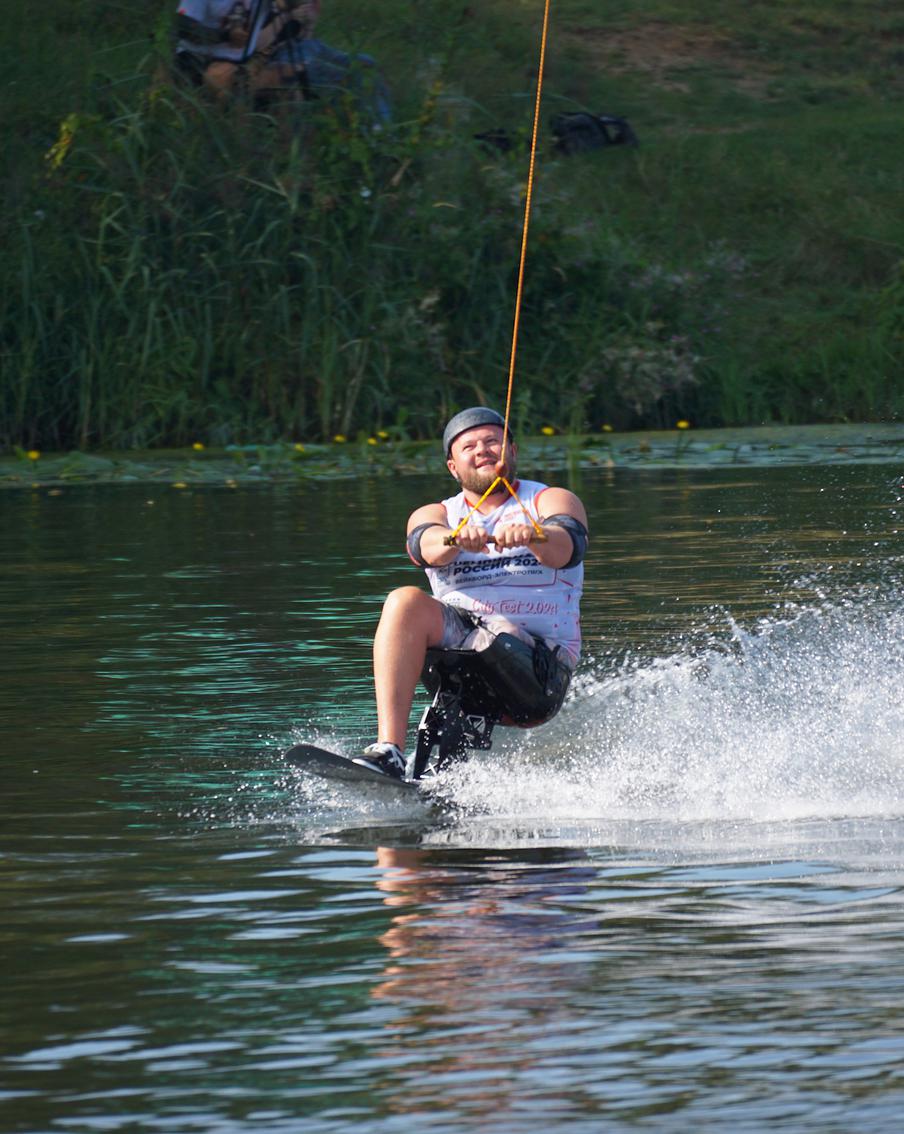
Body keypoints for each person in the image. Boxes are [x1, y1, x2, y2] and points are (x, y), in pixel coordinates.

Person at [354, 407, 588, 780]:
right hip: (464, 654)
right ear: (453, 466)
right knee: (403, 601)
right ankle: (390, 753)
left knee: (495, 638)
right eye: (469, 446)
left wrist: (534, 535)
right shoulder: (437, 513)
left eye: (492, 441)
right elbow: (423, 545)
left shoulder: (549, 501)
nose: (482, 449)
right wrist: (453, 539)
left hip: (537, 674)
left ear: (511, 451)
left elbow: (567, 546)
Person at [174, 0, 319, 100]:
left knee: (296, 76)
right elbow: (182, 27)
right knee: (221, 77)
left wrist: (288, 4)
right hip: (196, 61)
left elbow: (295, 3)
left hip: (242, 65)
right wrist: (225, 36)